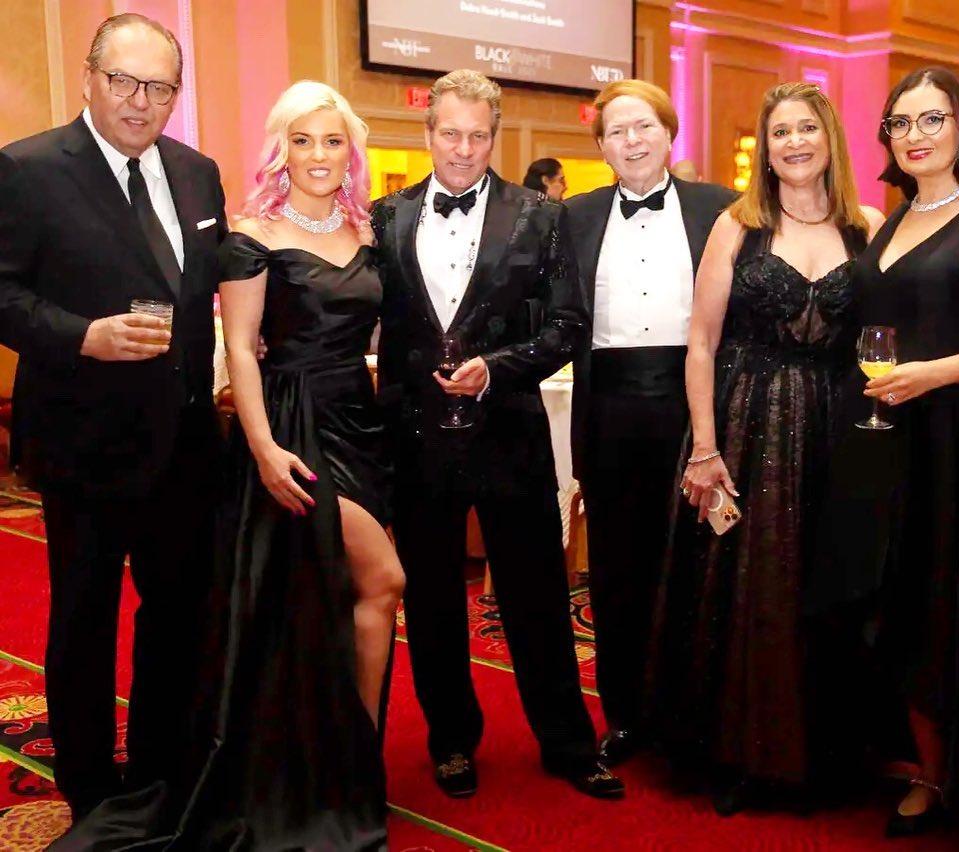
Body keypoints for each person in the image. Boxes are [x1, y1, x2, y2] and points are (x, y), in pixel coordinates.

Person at [52, 81, 402, 851]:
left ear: (351, 152)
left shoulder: (367, 230)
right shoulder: (251, 235)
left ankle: (347, 762)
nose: (318, 155)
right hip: (291, 424)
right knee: (383, 579)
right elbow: (240, 348)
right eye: (302, 141)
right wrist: (265, 447)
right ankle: (349, 763)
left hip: (359, 423)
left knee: (332, 595)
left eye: (332, 141)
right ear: (282, 150)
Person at [372, 69, 623, 800]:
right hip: (416, 435)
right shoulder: (384, 217)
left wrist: (498, 369)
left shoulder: (541, 216)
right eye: (450, 134)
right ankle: (451, 741)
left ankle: (568, 743)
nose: (463, 149)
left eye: (477, 136)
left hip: (509, 431)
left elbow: (567, 326)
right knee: (431, 600)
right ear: (428, 133)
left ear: (495, 136)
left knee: (536, 593)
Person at [0, 13, 226, 823]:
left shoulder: (198, 173)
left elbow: (208, 290)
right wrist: (80, 336)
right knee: (84, 618)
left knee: (178, 613)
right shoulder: (28, 169)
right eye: (123, 81)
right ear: (90, 77)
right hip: (84, 439)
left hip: (185, 443)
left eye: (159, 87)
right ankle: (90, 782)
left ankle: (163, 764)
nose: (140, 101)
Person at [647, 82, 884, 815]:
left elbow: (886, 335)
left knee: (823, 581)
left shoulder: (867, 227)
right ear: (765, 147)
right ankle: (737, 754)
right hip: (744, 422)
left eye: (806, 128)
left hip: (836, 428)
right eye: (780, 131)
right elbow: (700, 341)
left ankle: (821, 756)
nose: (794, 142)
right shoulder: (737, 225)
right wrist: (703, 448)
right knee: (745, 585)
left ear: (829, 138)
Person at [808, 67, 959, 838]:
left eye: (931, 119)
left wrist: (944, 370)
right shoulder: (888, 221)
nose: (913, 135)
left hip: (955, 440)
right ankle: (908, 756)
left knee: (940, 602)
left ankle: (949, 774)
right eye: (899, 122)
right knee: (885, 596)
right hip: (880, 437)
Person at [566, 78, 735, 768]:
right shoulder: (572, 217)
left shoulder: (721, 209)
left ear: (669, 134)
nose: (631, 141)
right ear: (601, 146)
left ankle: (696, 719)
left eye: (644, 127)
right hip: (607, 409)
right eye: (616, 131)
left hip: (691, 405)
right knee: (616, 571)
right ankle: (626, 716)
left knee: (698, 565)